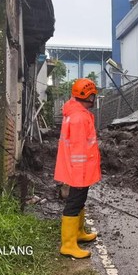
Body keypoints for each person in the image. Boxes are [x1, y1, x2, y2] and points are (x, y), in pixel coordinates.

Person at [54, 78, 101, 259]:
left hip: (78, 169)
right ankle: (68, 244)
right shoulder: (80, 118)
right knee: (74, 204)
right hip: (79, 170)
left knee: (79, 201)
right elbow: (79, 149)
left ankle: (78, 233)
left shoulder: (76, 113)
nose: (94, 98)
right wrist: (80, 177)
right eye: (93, 95)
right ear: (88, 96)